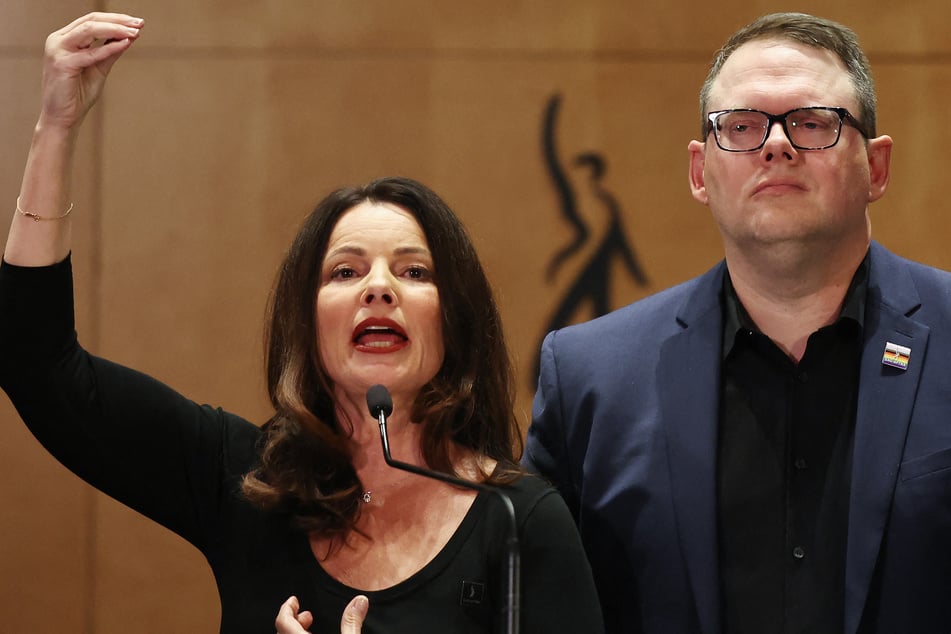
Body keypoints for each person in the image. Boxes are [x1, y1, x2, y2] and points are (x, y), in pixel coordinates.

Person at [0, 12, 604, 634]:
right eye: (344, 272)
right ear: (307, 324)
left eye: (414, 271)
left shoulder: (518, 520)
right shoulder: (249, 482)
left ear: (456, 322)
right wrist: (56, 126)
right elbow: (36, 361)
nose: (378, 288)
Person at [524, 11, 951, 634]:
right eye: (742, 127)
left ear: (876, 168)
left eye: (813, 123)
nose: (776, 144)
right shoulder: (591, 380)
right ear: (701, 172)